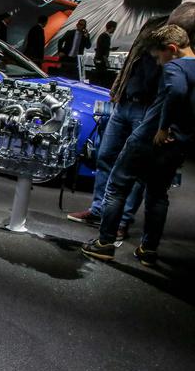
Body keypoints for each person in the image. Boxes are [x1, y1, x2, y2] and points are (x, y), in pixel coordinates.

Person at [82, 24, 195, 266]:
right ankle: (148, 250)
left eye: (159, 57)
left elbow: (177, 91)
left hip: (148, 137)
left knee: (116, 186)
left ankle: (104, 243)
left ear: (172, 49)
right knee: (157, 195)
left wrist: (163, 127)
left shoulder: (175, 66)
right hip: (177, 143)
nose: (158, 63)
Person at [66, 20, 162, 238]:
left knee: (136, 168)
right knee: (105, 156)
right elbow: (131, 63)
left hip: (147, 109)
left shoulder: (175, 32)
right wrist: (116, 90)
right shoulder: (152, 24)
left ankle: (122, 220)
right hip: (123, 103)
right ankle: (99, 210)